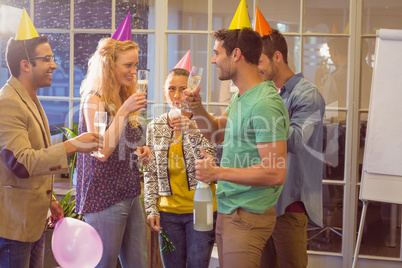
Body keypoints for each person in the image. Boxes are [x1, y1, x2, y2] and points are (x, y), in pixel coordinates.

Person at [184, 28, 289, 268]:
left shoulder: (265, 103)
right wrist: (197, 108)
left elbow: (275, 172)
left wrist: (217, 172)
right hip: (231, 210)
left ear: (236, 55)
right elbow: (215, 133)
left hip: (247, 215)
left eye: (216, 53)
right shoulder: (241, 96)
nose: (213, 60)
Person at [0, 19, 101, 268]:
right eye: (46, 59)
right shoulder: (8, 102)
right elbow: (21, 163)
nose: (54, 65)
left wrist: (50, 201)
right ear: (26, 65)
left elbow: (36, 156)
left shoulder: (30, 98)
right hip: (14, 226)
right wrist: (73, 145)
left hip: (33, 221)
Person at [75, 37, 150, 267]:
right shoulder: (94, 100)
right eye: (128, 65)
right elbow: (102, 151)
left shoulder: (123, 95)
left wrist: (139, 150)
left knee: (139, 263)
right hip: (103, 198)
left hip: (129, 192)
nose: (134, 71)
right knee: (102, 264)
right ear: (109, 65)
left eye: (136, 65)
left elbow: (120, 143)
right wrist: (124, 111)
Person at [258, 29, 326, 268]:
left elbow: (296, 141)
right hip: (264, 203)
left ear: (277, 57)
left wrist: (263, 116)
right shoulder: (267, 94)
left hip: (289, 205)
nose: (256, 69)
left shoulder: (308, 95)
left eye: (260, 62)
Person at [145, 66, 218, 268]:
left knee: (197, 265)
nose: (177, 95)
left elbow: (211, 164)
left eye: (183, 89)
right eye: (171, 89)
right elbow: (150, 172)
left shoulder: (206, 121)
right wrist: (151, 209)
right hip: (168, 214)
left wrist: (192, 132)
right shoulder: (155, 126)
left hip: (201, 209)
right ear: (164, 90)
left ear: (192, 92)